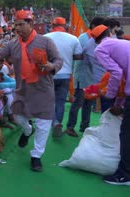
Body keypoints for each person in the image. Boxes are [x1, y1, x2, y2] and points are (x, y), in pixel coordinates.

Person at [0, 10, 63, 172]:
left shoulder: (45, 42)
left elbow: (58, 60)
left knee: (44, 123)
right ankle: (27, 130)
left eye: (21, 24)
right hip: (22, 88)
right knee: (18, 116)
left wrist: (52, 66)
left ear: (31, 24)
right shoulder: (13, 44)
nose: (17, 28)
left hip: (43, 89)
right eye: (15, 25)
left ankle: (36, 156)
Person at [91, 25, 130, 185]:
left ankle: (125, 174)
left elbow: (117, 73)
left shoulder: (100, 49)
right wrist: (120, 102)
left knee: (127, 134)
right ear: (110, 33)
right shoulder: (121, 43)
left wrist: (109, 96)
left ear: (94, 39)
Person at [44, 17, 83, 137]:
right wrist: (68, 56)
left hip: (49, 74)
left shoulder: (45, 37)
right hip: (65, 75)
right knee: (60, 101)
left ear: (52, 25)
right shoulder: (73, 38)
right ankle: (57, 122)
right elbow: (79, 56)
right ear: (65, 26)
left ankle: (54, 122)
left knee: (49, 101)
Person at [66, 17, 104, 136]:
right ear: (93, 26)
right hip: (82, 75)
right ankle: (70, 127)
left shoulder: (96, 39)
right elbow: (81, 55)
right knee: (78, 102)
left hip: (92, 76)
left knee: (89, 103)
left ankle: (84, 126)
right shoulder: (83, 38)